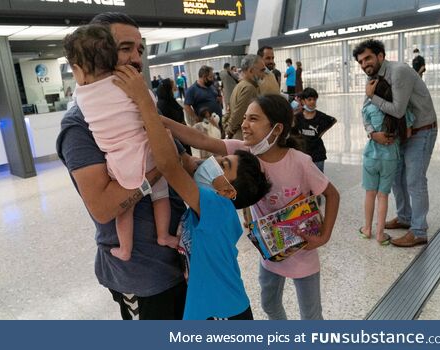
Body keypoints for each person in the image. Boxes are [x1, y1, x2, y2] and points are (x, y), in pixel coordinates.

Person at [159, 94, 340, 320]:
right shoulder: (242, 151)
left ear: (276, 129)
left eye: (253, 119)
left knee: (311, 315)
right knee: (270, 304)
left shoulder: (300, 161)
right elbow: (199, 139)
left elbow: (332, 195)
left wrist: (324, 237)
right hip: (270, 254)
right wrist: (161, 121)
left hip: (304, 254)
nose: (244, 124)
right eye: (244, 118)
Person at [112, 65, 272, 319]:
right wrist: (150, 120)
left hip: (226, 313)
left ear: (228, 192)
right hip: (210, 308)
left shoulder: (216, 207)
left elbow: (169, 166)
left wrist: (143, 99)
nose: (211, 163)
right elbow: (184, 161)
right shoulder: (213, 203)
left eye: (223, 165)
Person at [56, 12, 187, 320]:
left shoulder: (141, 103)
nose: (136, 58)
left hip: (179, 258)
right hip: (142, 275)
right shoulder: (80, 125)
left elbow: (183, 156)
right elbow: (103, 207)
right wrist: (159, 169)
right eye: (125, 47)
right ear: (99, 51)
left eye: (140, 50)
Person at [353, 39, 437, 248]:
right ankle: (404, 217)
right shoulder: (374, 77)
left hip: (421, 130)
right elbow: (364, 109)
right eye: (361, 61)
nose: (364, 64)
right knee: (397, 179)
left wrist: (372, 97)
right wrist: (372, 133)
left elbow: (398, 110)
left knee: (414, 180)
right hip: (398, 135)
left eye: (368, 58)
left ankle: (418, 231)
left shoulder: (398, 71)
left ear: (381, 56)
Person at [359, 77, 414, 245]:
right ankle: (380, 234)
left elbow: (367, 127)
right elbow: (409, 133)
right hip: (390, 158)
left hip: (371, 156)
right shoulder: (401, 110)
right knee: (383, 196)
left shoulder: (369, 108)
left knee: (370, 193)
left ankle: (367, 229)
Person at [291, 87, 337, 172]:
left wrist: (321, 133)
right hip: (303, 153)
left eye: (314, 99)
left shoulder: (320, 116)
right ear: (303, 101)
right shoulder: (298, 117)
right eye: (309, 99)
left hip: (317, 154)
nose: (312, 102)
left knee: (318, 178)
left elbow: (333, 120)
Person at [225, 54, 266, 140]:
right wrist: (230, 132)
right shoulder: (249, 88)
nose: (264, 74)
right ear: (251, 71)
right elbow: (238, 115)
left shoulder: (241, 85)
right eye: (262, 71)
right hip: (243, 136)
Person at [157, 78, 191, 155]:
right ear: (168, 88)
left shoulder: (170, 100)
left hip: (182, 136)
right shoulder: (163, 105)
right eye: (173, 85)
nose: (175, 87)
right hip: (176, 139)